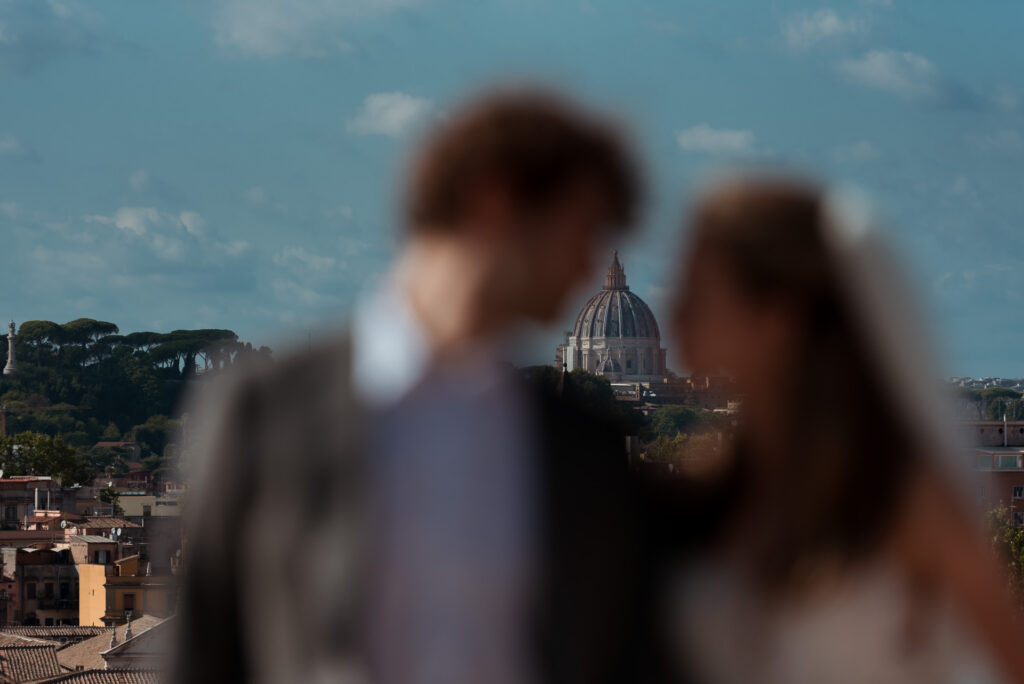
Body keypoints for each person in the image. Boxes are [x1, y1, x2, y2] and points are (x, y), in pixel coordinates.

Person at [173, 89, 668, 684]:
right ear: (494, 202)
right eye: (581, 230)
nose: (586, 265)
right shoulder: (265, 411)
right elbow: (204, 655)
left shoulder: (586, 447)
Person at [669, 176, 1024, 684]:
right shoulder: (701, 490)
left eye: (697, 294)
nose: (674, 315)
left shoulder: (909, 502)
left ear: (779, 317)